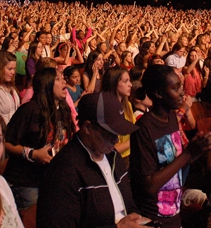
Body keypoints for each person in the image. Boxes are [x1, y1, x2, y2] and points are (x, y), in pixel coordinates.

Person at [37, 91, 144, 228]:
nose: (116, 140)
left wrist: (137, 219)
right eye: (110, 134)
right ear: (87, 127)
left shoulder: (113, 156)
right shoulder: (63, 172)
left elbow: (127, 204)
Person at [130, 65, 211, 228]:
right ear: (159, 93)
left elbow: (175, 164)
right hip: (155, 217)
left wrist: (198, 150)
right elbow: (149, 185)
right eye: (175, 88)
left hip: (173, 211)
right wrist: (187, 155)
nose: (182, 92)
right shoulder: (144, 129)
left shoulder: (172, 119)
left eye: (181, 86)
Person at [4, 67, 75, 211]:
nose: (64, 81)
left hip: (51, 179)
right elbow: (6, 142)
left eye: (63, 78)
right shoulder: (29, 110)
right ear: (46, 84)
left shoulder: (62, 109)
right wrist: (33, 153)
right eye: (58, 79)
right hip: (26, 181)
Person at [102, 67, 136, 169]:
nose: (130, 84)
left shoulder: (128, 105)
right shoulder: (107, 110)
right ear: (114, 83)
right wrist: (134, 140)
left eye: (129, 80)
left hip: (129, 156)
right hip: (114, 160)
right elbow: (110, 148)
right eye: (126, 81)